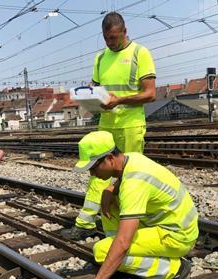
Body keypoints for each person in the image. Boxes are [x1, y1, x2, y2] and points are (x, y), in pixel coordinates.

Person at [61, 11, 156, 241]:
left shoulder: (139, 53)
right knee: (97, 172)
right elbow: (95, 86)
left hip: (130, 125)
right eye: (106, 39)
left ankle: (131, 224)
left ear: (124, 32)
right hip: (105, 125)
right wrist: (86, 97)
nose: (110, 43)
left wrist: (120, 99)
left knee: (130, 176)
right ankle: (86, 223)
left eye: (114, 38)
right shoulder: (100, 58)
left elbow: (150, 94)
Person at [74, 131, 199, 279]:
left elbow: (124, 242)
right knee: (111, 204)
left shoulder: (134, 185)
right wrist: (111, 189)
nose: (92, 174)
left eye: (94, 167)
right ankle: (118, 264)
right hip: (175, 224)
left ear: (110, 158)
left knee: (101, 251)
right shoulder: (131, 158)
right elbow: (124, 178)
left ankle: (175, 270)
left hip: (176, 237)